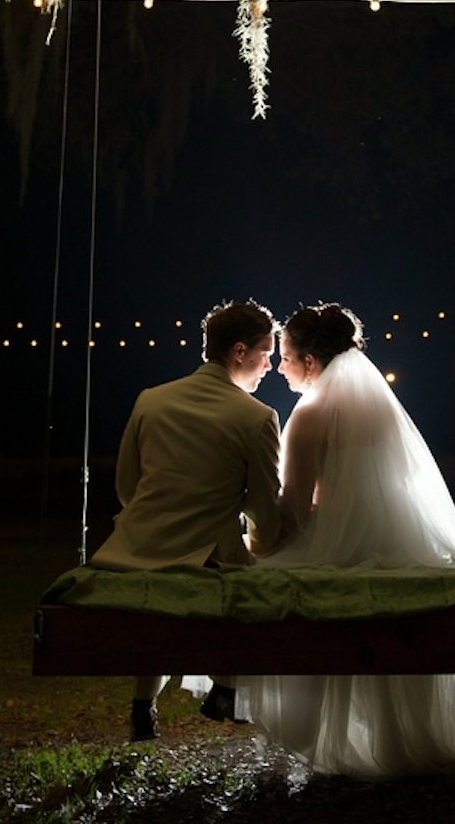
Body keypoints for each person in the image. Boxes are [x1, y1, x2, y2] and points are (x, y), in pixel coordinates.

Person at [237, 302, 455, 778]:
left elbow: (294, 510)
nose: (282, 367)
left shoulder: (310, 416)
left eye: (289, 357)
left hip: (336, 544)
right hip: (395, 540)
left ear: (311, 363)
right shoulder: (379, 409)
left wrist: (260, 543)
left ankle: (327, 737)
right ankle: (403, 738)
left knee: (261, 581)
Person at [89, 299, 282, 741]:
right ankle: (228, 688)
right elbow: (265, 513)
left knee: (158, 605)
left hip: (132, 553)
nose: (270, 365)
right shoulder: (257, 417)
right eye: (265, 353)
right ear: (239, 352)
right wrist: (258, 542)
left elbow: (126, 486)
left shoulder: (150, 400)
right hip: (206, 561)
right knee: (257, 585)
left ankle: (144, 705)